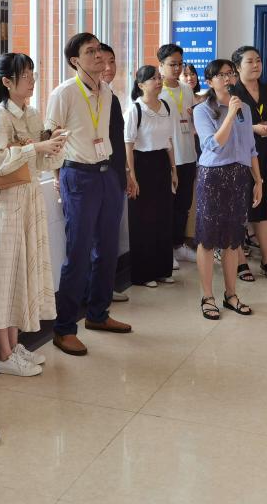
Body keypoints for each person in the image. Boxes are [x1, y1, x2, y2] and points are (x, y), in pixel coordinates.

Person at [0, 53, 66, 377]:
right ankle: (2, 353)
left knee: (21, 274)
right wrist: (34, 148)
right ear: (6, 81)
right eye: (25, 75)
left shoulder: (32, 113)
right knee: (5, 277)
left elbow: (41, 164)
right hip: (6, 203)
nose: (32, 80)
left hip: (29, 200)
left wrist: (54, 145)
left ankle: (14, 346)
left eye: (32, 73)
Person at [46, 33, 131, 356]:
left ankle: (98, 313)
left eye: (99, 50)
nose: (98, 56)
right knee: (78, 253)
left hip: (106, 173)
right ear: (74, 61)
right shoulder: (64, 93)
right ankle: (65, 328)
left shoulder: (106, 91)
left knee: (107, 249)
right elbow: (51, 137)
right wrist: (57, 176)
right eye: (90, 51)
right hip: (78, 176)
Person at [192, 59, 263, 319]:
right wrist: (230, 115)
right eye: (221, 75)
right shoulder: (202, 110)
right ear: (209, 81)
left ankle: (231, 294)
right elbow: (213, 145)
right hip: (212, 176)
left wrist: (258, 180)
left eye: (230, 74)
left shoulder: (245, 108)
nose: (227, 79)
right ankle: (207, 296)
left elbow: (251, 147)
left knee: (234, 240)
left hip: (239, 176)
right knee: (208, 239)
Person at [230, 45, 267, 281]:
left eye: (258, 60)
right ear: (237, 67)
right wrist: (253, 128)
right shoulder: (232, 92)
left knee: (266, 209)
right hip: (240, 157)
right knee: (239, 210)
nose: (256, 65)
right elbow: (227, 125)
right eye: (250, 61)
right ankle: (240, 262)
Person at [124, 65, 178, 286]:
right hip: (141, 164)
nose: (158, 81)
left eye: (158, 77)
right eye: (152, 78)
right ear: (141, 85)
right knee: (143, 220)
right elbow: (128, 145)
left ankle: (162, 269)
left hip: (161, 163)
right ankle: (144, 274)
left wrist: (174, 169)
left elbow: (169, 141)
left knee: (163, 218)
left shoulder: (166, 106)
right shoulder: (135, 110)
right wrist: (132, 176)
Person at [158, 44, 199, 264]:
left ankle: (178, 245)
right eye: (172, 64)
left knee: (184, 205)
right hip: (169, 158)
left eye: (180, 64)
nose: (177, 68)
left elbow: (192, 122)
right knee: (168, 206)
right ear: (161, 65)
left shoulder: (186, 89)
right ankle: (165, 250)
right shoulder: (157, 91)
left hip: (189, 155)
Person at [99, 43, 131, 303]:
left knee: (109, 240)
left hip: (114, 173)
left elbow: (118, 142)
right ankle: (95, 294)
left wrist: (126, 173)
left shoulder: (112, 97)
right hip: (94, 175)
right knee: (94, 241)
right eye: (103, 61)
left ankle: (103, 291)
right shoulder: (78, 96)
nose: (109, 67)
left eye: (112, 61)